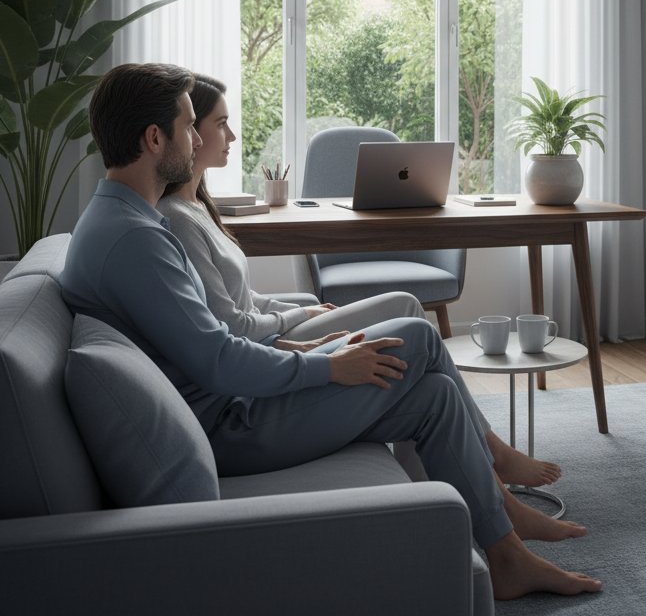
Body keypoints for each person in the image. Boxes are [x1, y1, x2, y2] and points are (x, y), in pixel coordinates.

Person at [60, 63, 601, 601]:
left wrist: (302, 344)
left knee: (433, 395)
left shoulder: (126, 223)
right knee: (415, 337)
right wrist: (326, 364)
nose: (199, 136)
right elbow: (219, 359)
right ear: (155, 139)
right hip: (231, 425)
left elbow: (209, 339)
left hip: (233, 405)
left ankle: (506, 555)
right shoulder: (136, 241)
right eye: (189, 124)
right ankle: (503, 500)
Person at [157, 73, 562, 492]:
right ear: (189, 132)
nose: (233, 135)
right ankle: (488, 453)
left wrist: (300, 310)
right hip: (264, 348)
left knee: (409, 319)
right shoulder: (178, 219)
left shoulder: (197, 207)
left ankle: (451, 472)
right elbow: (234, 326)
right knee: (410, 315)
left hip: (268, 335)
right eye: (219, 123)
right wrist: (294, 318)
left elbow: (241, 299)